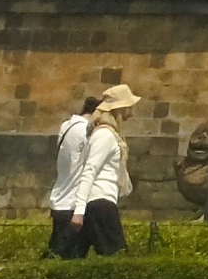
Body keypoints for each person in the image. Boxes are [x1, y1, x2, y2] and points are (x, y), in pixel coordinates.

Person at [73, 83, 139, 256]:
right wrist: (79, 212)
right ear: (120, 108)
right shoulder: (105, 136)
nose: (131, 112)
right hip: (100, 203)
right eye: (129, 107)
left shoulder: (109, 134)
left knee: (75, 256)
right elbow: (89, 170)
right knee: (117, 256)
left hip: (99, 202)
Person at [45, 94, 99, 258]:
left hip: (60, 198)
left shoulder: (66, 126)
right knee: (68, 257)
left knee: (57, 253)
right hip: (72, 204)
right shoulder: (84, 131)